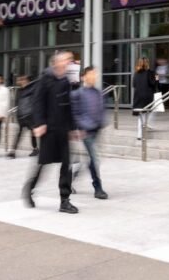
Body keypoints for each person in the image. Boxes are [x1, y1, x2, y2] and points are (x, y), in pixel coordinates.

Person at [22, 51, 79, 214]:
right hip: (49, 130)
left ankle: (65, 200)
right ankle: (30, 188)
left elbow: (71, 105)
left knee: (66, 164)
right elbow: (37, 103)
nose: (70, 62)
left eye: (71, 60)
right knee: (44, 164)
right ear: (57, 63)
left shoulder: (69, 80)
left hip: (64, 129)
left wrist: (73, 128)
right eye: (67, 59)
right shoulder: (45, 80)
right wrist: (39, 124)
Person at [71, 66, 109, 200]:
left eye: (95, 74)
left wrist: (102, 122)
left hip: (97, 129)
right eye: (91, 74)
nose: (94, 76)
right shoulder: (77, 94)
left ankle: (70, 180)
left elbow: (102, 109)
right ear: (83, 77)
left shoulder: (98, 93)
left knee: (90, 160)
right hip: (85, 131)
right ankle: (98, 188)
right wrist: (80, 128)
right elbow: (75, 114)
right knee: (94, 159)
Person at [8, 75, 39, 158]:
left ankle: (36, 149)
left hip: (30, 115)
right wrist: (16, 114)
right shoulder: (19, 91)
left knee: (33, 132)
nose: (19, 82)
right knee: (19, 134)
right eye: (19, 80)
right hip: (21, 115)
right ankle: (13, 151)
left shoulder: (32, 89)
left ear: (26, 80)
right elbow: (17, 103)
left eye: (21, 80)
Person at [133, 57, 158, 138]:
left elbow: (133, 84)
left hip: (138, 96)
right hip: (147, 95)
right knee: (151, 110)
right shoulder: (149, 72)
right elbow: (152, 83)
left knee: (141, 114)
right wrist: (156, 79)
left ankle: (139, 134)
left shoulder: (136, 73)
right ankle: (147, 125)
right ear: (147, 63)